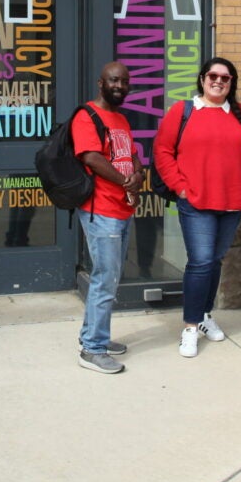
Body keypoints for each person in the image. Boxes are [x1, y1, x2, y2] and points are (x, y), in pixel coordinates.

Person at [154, 57, 241, 358]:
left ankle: (204, 315)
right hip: (196, 202)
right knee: (200, 262)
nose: (219, 82)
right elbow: (162, 151)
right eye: (213, 76)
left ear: (231, 84)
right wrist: (181, 187)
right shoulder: (182, 111)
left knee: (215, 261)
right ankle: (190, 326)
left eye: (225, 78)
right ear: (202, 79)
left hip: (232, 201)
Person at [73, 61, 144, 374]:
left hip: (121, 209)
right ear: (100, 83)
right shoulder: (86, 115)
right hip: (100, 210)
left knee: (109, 276)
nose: (120, 86)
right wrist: (124, 180)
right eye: (114, 80)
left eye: (125, 82)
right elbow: (91, 157)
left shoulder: (121, 119)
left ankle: (92, 335)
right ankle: (93, 349)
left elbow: (132, 156)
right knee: (106, 278)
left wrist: (139, 174)